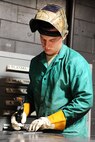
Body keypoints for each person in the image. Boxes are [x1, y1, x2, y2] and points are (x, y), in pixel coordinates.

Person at [11, 4, 93, 137]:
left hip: (70, 135)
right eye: (43, 39)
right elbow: (31, 95)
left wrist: (50, 120)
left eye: (52, 40)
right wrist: (22, 113)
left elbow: (84, 100)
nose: (46, 45)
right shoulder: (35, 63)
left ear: (64, 35)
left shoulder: (76, 62)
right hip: (43, 134)